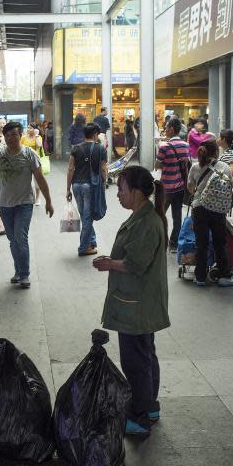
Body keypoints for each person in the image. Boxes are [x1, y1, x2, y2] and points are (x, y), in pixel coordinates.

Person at [93, 165, 169, 436]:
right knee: (145, 356)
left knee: (135, 362)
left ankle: (139, 417)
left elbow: (136, 264)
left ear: (136, 192)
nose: (117, 195)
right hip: (139, 303)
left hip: (136, 306)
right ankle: (149, 407)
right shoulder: (143, 216)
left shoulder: (146, 222)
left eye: (121, 189)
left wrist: (109, 264)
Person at [0, 121, 54, 289]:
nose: (11, 139)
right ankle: (18, 271)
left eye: (14, 135)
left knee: (20, 238)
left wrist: (48, 201)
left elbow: (40, 178)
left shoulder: (29, 154)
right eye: (7, 135)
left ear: (20, 136)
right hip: (4, 204)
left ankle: (24, 274)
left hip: (25, 203)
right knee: (13, 240)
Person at [186, 139, 233, 287]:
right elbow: (229, 189)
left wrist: (200, 191)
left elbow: (190, 188)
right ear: (216, 152)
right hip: (218, 210)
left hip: (199, 208)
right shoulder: (225, 167)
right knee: (220, 243)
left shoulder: (196, 167)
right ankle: (225, 276)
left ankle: (200, 277)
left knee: (201, 244)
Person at [66, 123, 107, 256]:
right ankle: (84, 248)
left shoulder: (76, 148)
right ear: (95, 134)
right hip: (91, 186)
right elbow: (103, 168)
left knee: (85, 216)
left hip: (76, 185)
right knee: (88, 217)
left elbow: (70, 169)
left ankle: (91, 241)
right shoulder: (100, 148)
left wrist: (68, 189)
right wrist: (105, 181)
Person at [155, 118, 190, 252]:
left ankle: (161, 241)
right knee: (177, 216)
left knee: (160, 215)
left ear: (171, 129)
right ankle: (174, 243)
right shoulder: (185, 146)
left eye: (166, 127)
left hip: (165, 188)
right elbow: (186, 164)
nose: (165, 129)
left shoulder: (164, 147)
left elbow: (157, 165)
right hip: (180, 187)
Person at [21, 123, 45, 205]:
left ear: (35, 129)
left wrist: (37, 135)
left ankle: (38, 198)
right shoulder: (23, 138)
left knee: (37, 182)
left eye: (30, 128)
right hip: (25, 161)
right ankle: (28, 197)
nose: (28, 129)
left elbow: (39, 145)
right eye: (27, 128)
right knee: (25, 181)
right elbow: (20, 147)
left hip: (35, 161)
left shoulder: (38, 137)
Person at [217, 129, 233, 204]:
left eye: (219, 137)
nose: (217, 139)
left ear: (224, 139)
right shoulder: (228, 152)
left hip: (224, 189)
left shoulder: (228, 154)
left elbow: (232, 171)